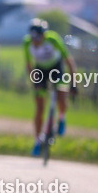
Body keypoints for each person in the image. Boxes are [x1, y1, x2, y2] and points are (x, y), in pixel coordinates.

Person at [23, 19, 77, 156]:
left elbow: (69, 61)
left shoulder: (53, 39)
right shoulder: (27, 42)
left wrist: (74, 83)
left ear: (44, 35)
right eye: (33, 38)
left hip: (56, 68)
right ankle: (37, 141)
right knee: (40, 107)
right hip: (40, 69)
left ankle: (61, 118)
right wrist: (34, 80)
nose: (35, 41)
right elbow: (29, 64)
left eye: (38, 38)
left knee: (61, 94)